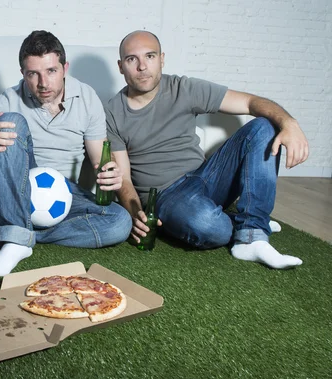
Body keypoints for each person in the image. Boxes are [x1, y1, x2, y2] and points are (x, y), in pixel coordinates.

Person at [107, 30, 309, 269]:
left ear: (161, 59)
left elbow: (249, 102)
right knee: (210, 227)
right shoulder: (112, 112)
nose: (142, 66)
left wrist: (289, 122)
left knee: (264, 126)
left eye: (149, 56)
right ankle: (243, 222)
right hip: (166, 195)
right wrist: (136, 214)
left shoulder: (184, 88)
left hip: (206, 176)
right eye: (132, 59)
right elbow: (124, 178)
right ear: (121, 66)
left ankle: (252, 233)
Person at [0, 30, 132, 276]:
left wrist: (110, 172)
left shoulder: (87, 97)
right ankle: (14, 237)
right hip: (18, 188)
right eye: (32, 74)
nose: (43, 83)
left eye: (51, 71)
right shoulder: (8, 99)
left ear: (65, 67)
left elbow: (100, 159)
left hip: (64, 194)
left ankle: (14, 231)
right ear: (23, 73)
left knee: (120, 222)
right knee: (10, 120)